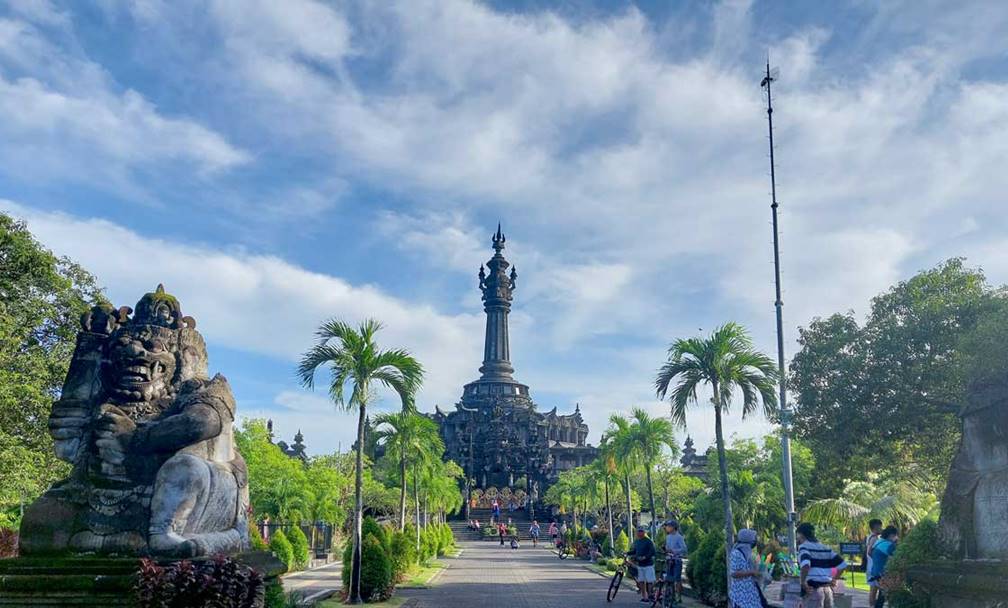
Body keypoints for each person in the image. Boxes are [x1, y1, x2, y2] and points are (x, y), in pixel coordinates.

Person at [797, 523, 847, 608]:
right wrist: (834, 579)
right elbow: (843, 565)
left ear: (801, 534)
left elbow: (805, 565)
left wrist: (803, 582)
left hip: (813, 590)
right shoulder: (825, 548)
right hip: (827, 590)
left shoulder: (804, 547)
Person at [729, 528, 765, 608]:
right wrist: (752, 572)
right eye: (754, 538)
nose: (755, 540)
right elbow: (734, 573)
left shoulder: (749, 553)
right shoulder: (736, 553)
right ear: (748, 539)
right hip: (741, 594)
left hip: (751, 592)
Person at [869, 527, 899, 608]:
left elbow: (871, 553)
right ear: (891, 535)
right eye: (896, 535)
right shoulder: (889, 545)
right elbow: (898, 557)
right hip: (882, 573)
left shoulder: (878, 542)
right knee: (888, 595)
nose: (897, 537)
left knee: (882, 596)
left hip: (875, 572)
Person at [626, 526, 657, 602]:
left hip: (648, 564)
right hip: (640, 565)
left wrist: (645, 557)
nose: (640, 533)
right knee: (641, 581)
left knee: (650, 581)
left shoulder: (648, 541)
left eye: (641, 531)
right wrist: (627, 553)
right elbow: (634, 551)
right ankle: (644, 596)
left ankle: (650, 595)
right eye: (638, 531)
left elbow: (652, 552)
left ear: (644, 532)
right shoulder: (636, 542)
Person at [663, 520, 688, 600]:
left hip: (677, 560)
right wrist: (666, 549)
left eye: (669, 526)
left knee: (677, 579)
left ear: (673, 527)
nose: (667, 528)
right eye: (667, 526)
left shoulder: (679, 537)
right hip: (669, 560)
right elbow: (667, 547)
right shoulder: (668, 537)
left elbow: (684, 549)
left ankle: (678, 597)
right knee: (669, 578)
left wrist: (674, 551)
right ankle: (670, 595)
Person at [865, 519, 883, 607]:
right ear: (876, 527)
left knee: (873, 589)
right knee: (875, 589)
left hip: (870, 567)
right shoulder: (874, 538)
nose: (881, 529)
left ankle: (872, 605)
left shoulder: (870, 537)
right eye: (880, 526)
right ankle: (873, 606)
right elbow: (869, 551)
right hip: (873, 567)